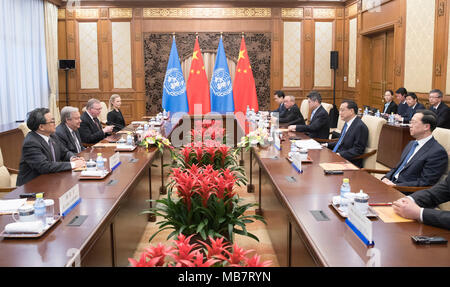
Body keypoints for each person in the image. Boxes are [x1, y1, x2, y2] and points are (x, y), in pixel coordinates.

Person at [16, 108, 86, 186]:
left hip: (51, 179)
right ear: (41, 127)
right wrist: (73, 164)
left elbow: (64, 152)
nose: (55, 124)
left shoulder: (52, 136)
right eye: (52, 121)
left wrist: (73, 158)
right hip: (32, 186)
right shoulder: (31, 143)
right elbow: (44, 166)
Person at [381, 110, 447, 189]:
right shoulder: (411, 143)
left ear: (426, 127)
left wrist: (396, 186)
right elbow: (398, 167)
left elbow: (425, 182)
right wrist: (386, 178)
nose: (410, 125)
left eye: (414, 122)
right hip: (390, 186)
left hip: (406, 192)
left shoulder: (437, 152)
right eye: (410, 122)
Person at [326, 100, 368, 168]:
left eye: (342, 110)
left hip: (349, 162)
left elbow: (358, 150)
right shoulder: (347, 123)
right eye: (340, 110)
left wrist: (339, 154)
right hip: (337, 157)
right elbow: (341, 141)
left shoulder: (360, 127)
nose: (340, 113)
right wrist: (326, 144)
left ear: (351, 111)